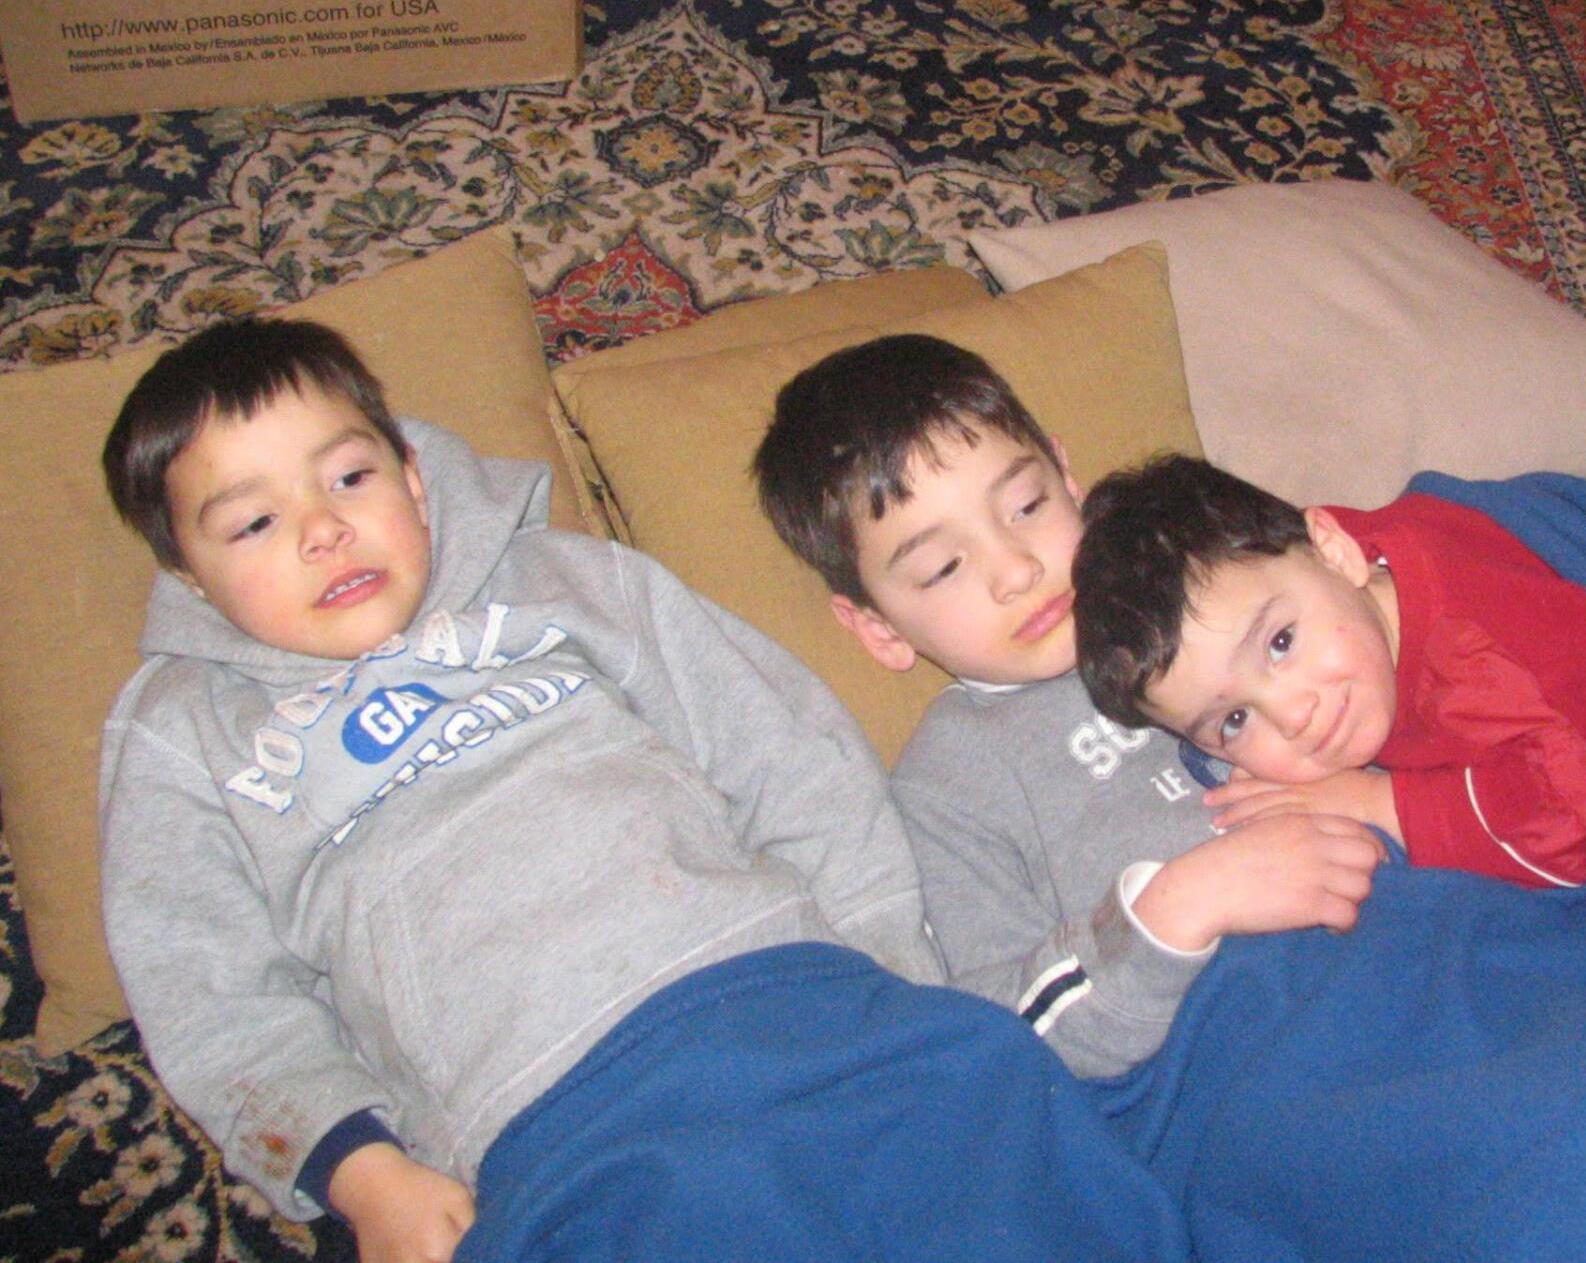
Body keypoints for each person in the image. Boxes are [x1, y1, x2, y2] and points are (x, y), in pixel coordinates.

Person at [97, 318, 1193, 1263]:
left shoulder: (569, 583)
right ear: (187, 573)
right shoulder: (181, 734)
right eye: (253, 523)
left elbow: (789, 759)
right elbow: (209, 997)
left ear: (414, 475)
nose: (323, 529)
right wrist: (359, 1168)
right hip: (544, 1107)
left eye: (349, 477)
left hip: (801, 991)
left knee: (1019, 1152)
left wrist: (895, 975)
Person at [752, 334, 1383, 1078]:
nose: (1016, 569)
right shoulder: (948, 785)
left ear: (1068, 478)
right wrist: (1175, 909)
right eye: (944, 566)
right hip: (1267, 1059)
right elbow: (993, 1038)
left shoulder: (1212, 581)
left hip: (1432, 921)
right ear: (880, 631)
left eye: (1026, 506)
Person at [1072, 453, 1586, 889]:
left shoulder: (1471, 666)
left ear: (1336, 550)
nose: (1293, 716)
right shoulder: (1306, 571)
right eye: (1235, 720)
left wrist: (1371, 800)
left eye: (1281, 643)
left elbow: (1573, 825)